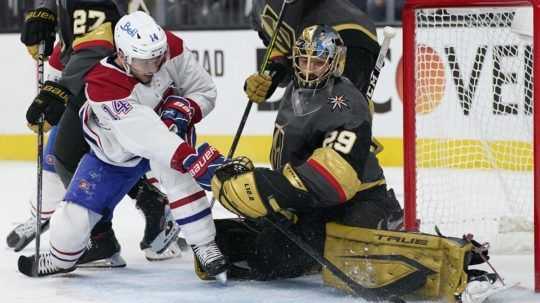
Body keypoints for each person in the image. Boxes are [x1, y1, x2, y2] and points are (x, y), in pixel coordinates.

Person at [209, 25, 505, 301]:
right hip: (311, 203)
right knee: (266, 257)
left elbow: (333, 181)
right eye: (303, 60)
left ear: (335, 62)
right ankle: (316, 248)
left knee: (358, 259)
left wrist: (264, 187)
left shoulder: (346, 101)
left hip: (357, 199)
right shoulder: (296, 91)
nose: (309, 69)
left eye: (318, 62)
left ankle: (460, 265)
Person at [17, 11, 229, 281]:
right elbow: (147, 136)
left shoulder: (170, 48)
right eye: (144, 60)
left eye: (158, 57)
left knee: (180, 181)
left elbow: (204, 90)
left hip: (166, 136)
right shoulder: (103, 84)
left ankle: (205, 245)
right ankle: (60, 258)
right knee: (74, 217)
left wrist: (186, 108)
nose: (153, 67)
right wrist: (189, 158)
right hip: (114, 154)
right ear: (123, 56)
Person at [8, 0, 182, 264]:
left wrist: (61, 89)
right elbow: (78, 40)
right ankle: (143, 212)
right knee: (87, 155)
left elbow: (99, 43)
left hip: (113, 84)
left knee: (71, 154)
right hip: (99, 77)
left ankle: (102, 235)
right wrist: (46, 11)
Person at [245, 0, 381, 104]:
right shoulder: (257, 14)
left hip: (348, 35)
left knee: (339, 110)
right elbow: (281, 59)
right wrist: (268, 80)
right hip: (312, 53)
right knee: (309, 117)